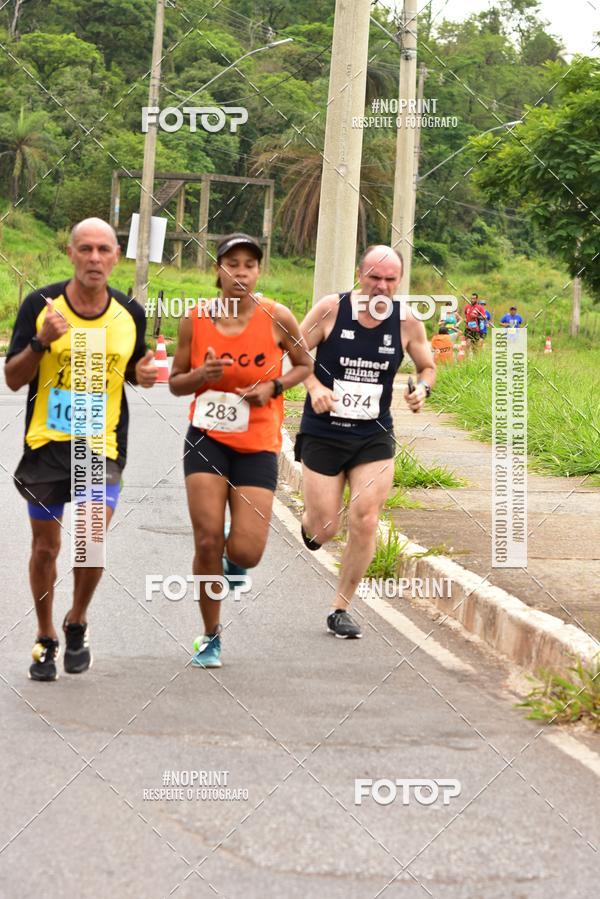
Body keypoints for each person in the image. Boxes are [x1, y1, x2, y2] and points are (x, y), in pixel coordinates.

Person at [4, 218, 157, 681]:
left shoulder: (130, 312)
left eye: (104, 250)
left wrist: (142, 375)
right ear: (70, 253)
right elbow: (13, 377)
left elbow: (131, 369)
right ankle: (47, 635)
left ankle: (77, 620)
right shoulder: (40, 305)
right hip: (46, 443)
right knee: (46, 548)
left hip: (100, 444)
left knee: (90, 543)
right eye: (85, 249)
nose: (94, 258)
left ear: (116, 257)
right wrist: (40, 342)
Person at [169, 233, 311, 668]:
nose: (241, 272)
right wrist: (202, 376)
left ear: (259, 271)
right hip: (206, 438)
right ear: (218, 270)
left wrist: (272, 386)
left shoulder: (276, 316)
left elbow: (306, 364)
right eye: (232, 263)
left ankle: (235, 563)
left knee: (247, 551)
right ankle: (210, 635)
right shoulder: (195, 319)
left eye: (250, 264)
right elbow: (175, 382)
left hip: (258, 445)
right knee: (208, 537)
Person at [295, 245, 435, 639]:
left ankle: (341, 607)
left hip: (372, 435)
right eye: (375, 277)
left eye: (390, 279)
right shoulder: (331, 309)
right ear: (360, 275)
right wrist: (313, 385)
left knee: (367, 518)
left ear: (399, 282)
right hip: (323, 431)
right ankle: (312, 523)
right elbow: (292, 350)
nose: (382, 286)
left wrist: (422, 390)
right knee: (325, 529)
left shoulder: (407, 321)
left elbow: (427, 367)